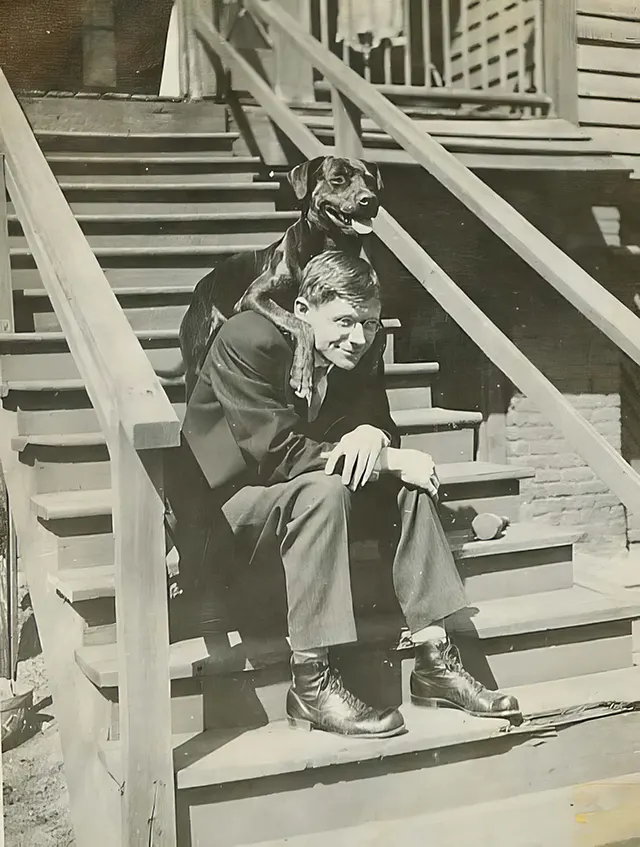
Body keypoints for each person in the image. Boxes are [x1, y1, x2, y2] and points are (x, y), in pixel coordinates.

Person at [177, 250, 521, 738]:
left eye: (369, 323)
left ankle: (433, 661)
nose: (358, 337)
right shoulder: (246, 339)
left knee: (409, 485)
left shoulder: (360, 350)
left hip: (299, 502)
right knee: (324, 489)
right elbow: (275, 453)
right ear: (301, 311)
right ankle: (311, 685)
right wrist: (381, 455)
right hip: (223, 513)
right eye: (343, 321)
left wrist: (373, 436)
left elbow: (379, 427)